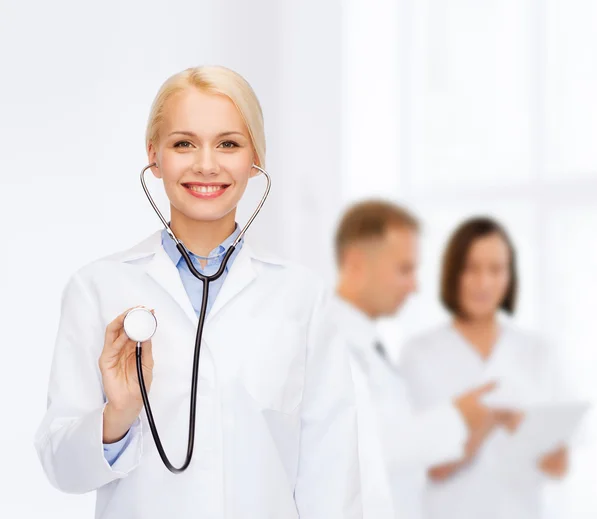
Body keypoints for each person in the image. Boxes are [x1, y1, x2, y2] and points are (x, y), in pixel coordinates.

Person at [34, 65, 361, 519]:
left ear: (255, 160)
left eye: (228, 143)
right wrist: (120, 413)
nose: (206, 163)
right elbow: (61, 468)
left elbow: (332, 473)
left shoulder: (301, 296)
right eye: (183, 143)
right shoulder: (97, 288)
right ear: (154, 156)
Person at [329, 200, 502, 519]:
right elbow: (368, 447)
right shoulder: (329, 342)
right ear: (355, 264)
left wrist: (469, 429)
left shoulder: (368, 344)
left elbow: (401, 451)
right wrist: (458, 416)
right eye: (404, 269)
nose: (414, 286)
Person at [400, 216, 569, 519]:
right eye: (471, 269)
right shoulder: (420, 353)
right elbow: (429, 467)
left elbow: (558, 467)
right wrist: (489, 419)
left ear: (510, 276)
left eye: (496, 269)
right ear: (453, 273)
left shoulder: (538, 352)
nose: (484, 282)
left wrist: (527, 430)